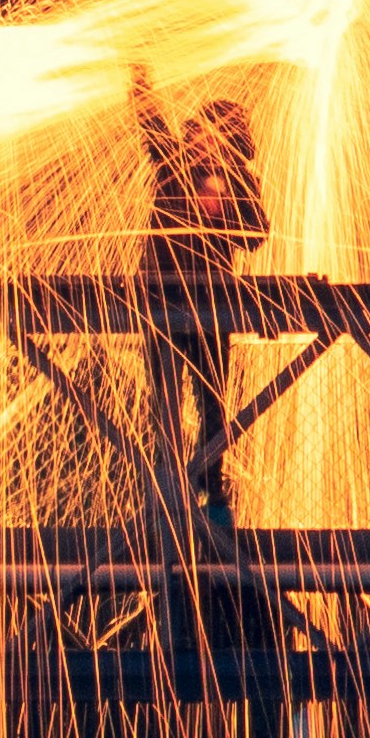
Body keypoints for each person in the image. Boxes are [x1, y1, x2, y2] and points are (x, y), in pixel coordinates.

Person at [131, 65, 266, 520]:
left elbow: (257, 233)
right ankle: (170, 498)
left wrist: (223, 205)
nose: (205, 142)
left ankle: (212, 492)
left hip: (211, 308)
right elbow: (151, 126)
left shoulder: (239, 180)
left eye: (217, 136)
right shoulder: (174, 160)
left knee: (213, 404)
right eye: (204, 133)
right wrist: (140, 82)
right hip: (164, 303)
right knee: (165, 406)